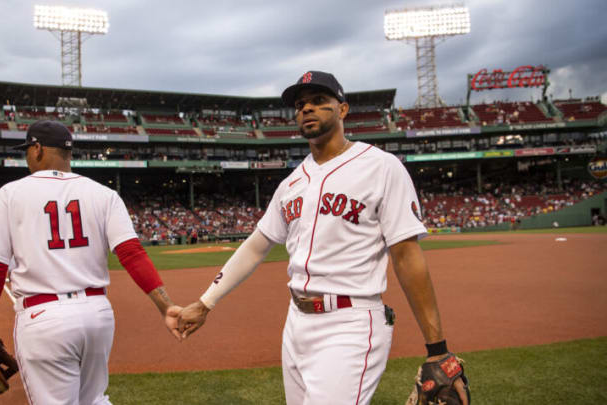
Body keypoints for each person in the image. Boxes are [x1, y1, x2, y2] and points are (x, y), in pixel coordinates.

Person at [178, 71, 469, 404]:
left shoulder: (381, 167)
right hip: (296, 323)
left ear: (342, 110)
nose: (307, 109)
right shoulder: (291, 184)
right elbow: (257, 244)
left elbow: (406, 256)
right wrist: (205, 302)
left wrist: (437, 349)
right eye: (301, 104)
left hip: (351, 322)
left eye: (319, 101)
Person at [0, 120, 183, 404]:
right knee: (94, 399)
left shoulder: (10, 194)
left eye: (27, 149)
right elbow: (132, 254)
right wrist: (166, 306)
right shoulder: (104, 194)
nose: (26, 155)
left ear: (37, 149)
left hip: (44, 319)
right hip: (97, 316)